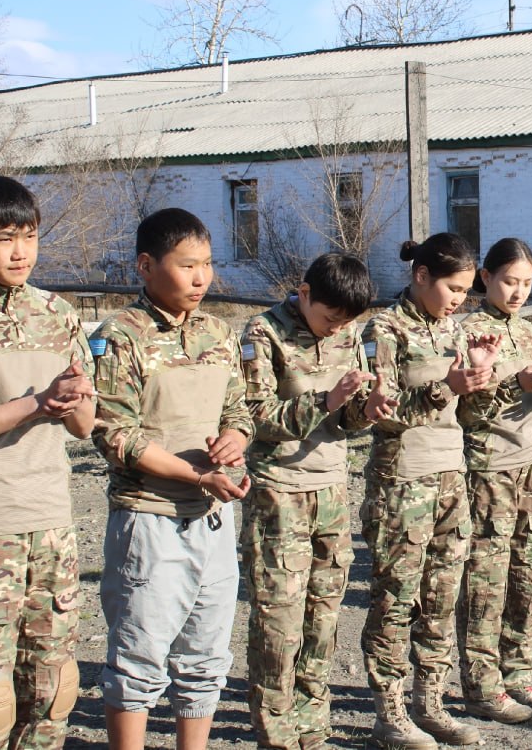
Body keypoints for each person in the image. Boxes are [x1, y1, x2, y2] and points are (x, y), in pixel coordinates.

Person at [92, 208, 255, 750]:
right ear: (146, 265)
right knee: (138, 661)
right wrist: (197, 474)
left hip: (211, 520)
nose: (201, 277)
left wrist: (235, 442)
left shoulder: (218, 332)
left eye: (207, 264)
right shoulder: (123, 335)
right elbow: (117, 436)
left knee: (206, 658)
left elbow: (240, 411)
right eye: (187, 265)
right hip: (149, 518)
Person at [0, 175, 94, 749]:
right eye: (5, 238)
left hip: (53, 523)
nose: (21, 252)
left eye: (31, 237)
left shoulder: (58, 314)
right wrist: (33, 404)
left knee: (53, 685)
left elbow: (87, 427)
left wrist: (71, 399)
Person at [360, 234, 501, 750]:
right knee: (396, 600)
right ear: (421, 276)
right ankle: (389, 713)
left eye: (467, 290)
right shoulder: (384, 330)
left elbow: (470, 418)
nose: (461, 298)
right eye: (453, 287)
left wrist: (482, 381)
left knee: (442, 598)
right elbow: (378, 411)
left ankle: (431, 703)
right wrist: (449, 387)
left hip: (450, 479)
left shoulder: (454, 330)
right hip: (402, 483)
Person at [239, 253, 376, 750]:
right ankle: (275, 729)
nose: (337, 328)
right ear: (303, 292)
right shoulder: (262, 333)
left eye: (347, 322)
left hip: (331, 489)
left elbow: (347, 421)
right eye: (330, 317)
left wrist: (366, 409)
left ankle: (312, 723)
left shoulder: (349, 334)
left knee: (324, 615)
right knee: (279, 618)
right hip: (279, 492)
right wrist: (325, 401)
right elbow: (255, 416)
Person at [457, 238, 532, 722]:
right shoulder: (466, 333)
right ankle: (482, 684)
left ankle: (517, 672)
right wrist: (510, 384)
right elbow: (462, 406)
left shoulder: (529, 332)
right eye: (509, 281)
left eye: (526, 282)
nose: (519, 291)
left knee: (528, 572)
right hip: (487, 467)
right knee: (487, 576)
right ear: (486, 278)